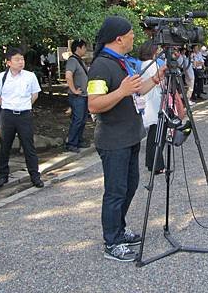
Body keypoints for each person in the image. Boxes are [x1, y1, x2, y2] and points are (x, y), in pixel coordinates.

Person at [87, 16, 166, 262]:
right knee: (115, 191)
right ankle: (111, 242)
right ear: (119, 38)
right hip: (113, 139)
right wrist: (120, 91)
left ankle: (119, 230)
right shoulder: (101, 66)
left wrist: (154, 79)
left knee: (129, 186)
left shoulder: (122, 62)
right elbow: (94, 104)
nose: (134, 37)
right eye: (131, 33)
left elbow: (136, 90)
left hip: (130, 135)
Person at [0, 48, 44, 189]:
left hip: (24, 115)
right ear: (8, 62)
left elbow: (35, 95)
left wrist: (24, 105)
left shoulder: (30, 76)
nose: (21, 62)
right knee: (5, 146)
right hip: (7, 115)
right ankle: (3, 175)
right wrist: (9, 105)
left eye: (22, 59)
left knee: (28, 146)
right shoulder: (1, 78)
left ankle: (35, 176)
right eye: (17, 59)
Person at [138, 41, 165, 174]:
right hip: (155, 102)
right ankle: (157, 164)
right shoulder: (152, 65)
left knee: (153, 135)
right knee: (158, 135)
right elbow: (160, 82)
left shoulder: (143, 64)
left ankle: (151, 162)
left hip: (149, 101)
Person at [65, 39, 89, 153]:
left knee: (83, 119)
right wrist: (74, 90)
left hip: (84, 95)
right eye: (84, 47)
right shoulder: (72, 60)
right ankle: (71, 143)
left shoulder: (80, 60)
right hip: (77, 96)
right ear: (78, 48)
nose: (85, 50)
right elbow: (68, 75)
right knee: (77, 119)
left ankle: (79, 140)